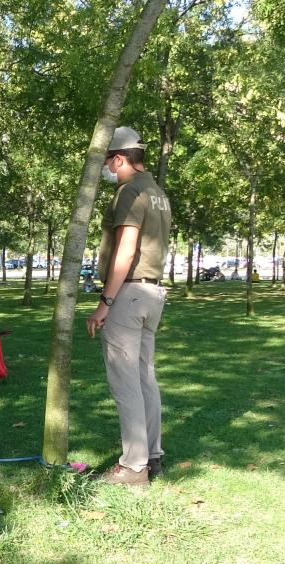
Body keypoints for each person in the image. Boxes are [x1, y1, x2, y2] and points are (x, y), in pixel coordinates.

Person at [86, 126, 172, 487]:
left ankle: (133, 468)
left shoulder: (130, 191)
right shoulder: (157, 192)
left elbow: (126, 249)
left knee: (126, 383)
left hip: (129, 294)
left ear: (120, 158)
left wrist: (105, 302)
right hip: (152, 294)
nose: (107, 167)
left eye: (108, 160)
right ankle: (152, 457)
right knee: (144, 378)